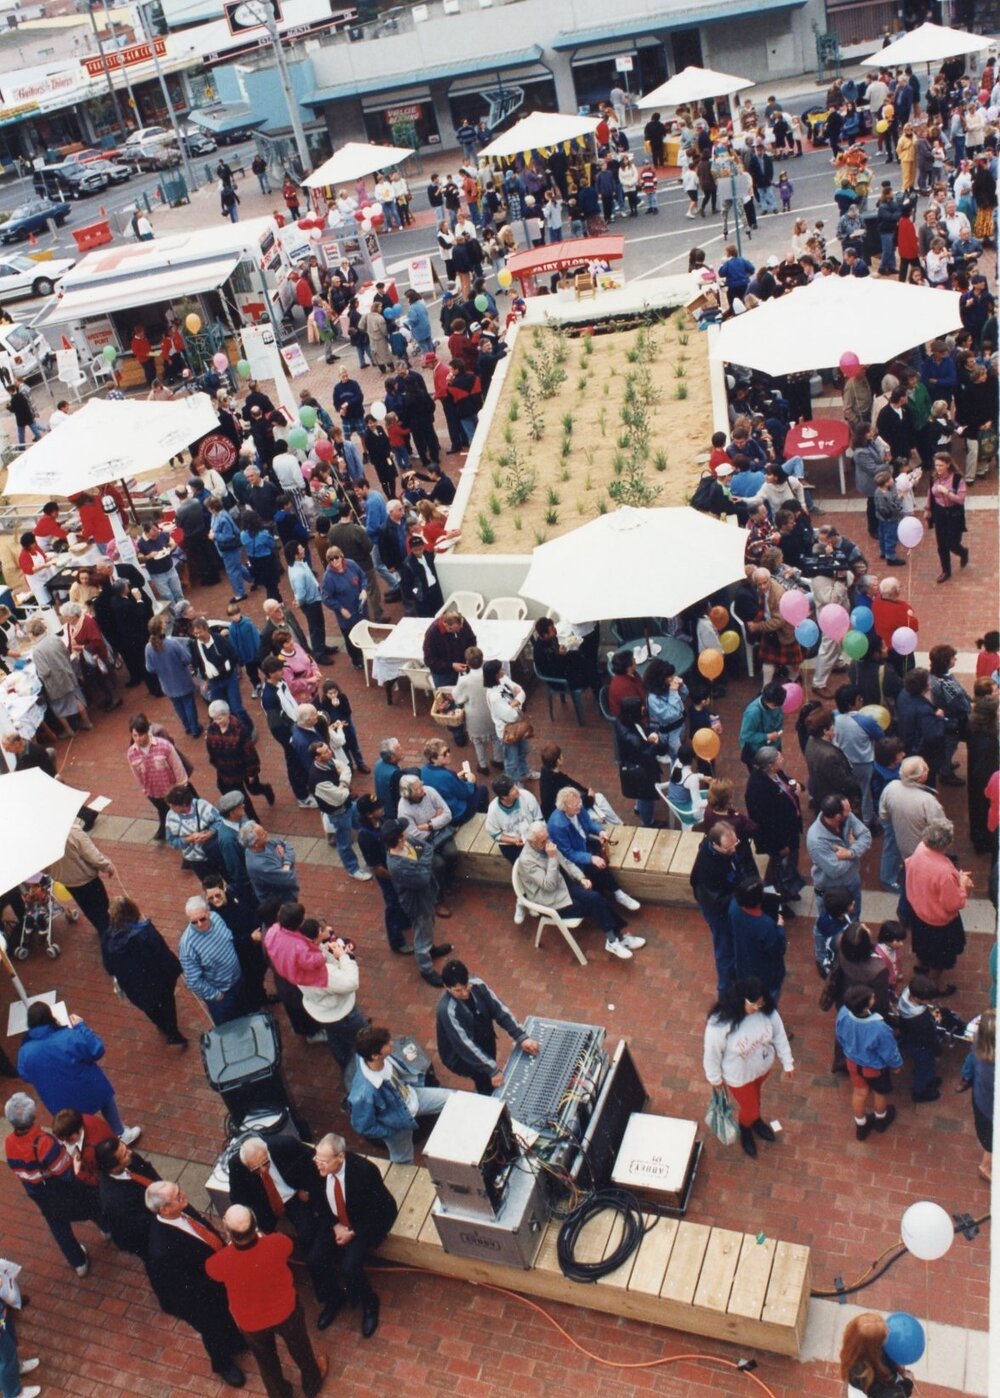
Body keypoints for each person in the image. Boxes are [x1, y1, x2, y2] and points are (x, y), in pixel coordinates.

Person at [207, 1204, 327, 1398]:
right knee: (301, 1348)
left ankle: (279, 1393)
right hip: (286, 1312)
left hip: (251, 1322)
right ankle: (312, 1383)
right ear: (255, 1225)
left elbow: (211, 1270)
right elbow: (287, 1246)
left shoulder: (220, 1261)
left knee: (265, 1361)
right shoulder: (278, 1243)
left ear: (228, 1231)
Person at [144, 1180, 245, 1388]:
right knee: (212, 1328)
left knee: (225, 1314)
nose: (184, 1196)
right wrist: (220, 1278)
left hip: (214, 1278)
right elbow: (184, 1285)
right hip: (199, 1297)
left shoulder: (181, 1208)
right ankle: (222, 1363)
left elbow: (202, 1228)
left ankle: (235, 1341)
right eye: (178, 1196)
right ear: (164, 1209)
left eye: (179, 1190)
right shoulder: (162, 1248)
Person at [308, 1131, 399, 1338]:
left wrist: (354, 1231)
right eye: (316, 1158)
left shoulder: (364, 1171)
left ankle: (369, 1302)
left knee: (350, 1267)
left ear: (340, 1157)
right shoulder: (317, 1169)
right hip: (335, 1222)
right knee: (315, 1260)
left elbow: (382, 1209)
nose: (318, 1164)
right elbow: (318, 1201)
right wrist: (334, 1226)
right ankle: (334, 1298)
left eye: (324, 1161)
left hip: (361, 1224)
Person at [4, 1092, 102, 1276]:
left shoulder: (8, 1142)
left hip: (37, 1192)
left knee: (57, 1225)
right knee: (90, 1204)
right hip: (58, 1188)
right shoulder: (43, 1142)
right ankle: (106, 1229)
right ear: (33, 1116)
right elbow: (65, 1172)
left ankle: (78, 1262)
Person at [16, 1002, 140, 1145]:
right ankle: (120, 1133)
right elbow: (96, 1049)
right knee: (106, 1101)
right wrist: (81, 1026)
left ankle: (87, 1147)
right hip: (87, 1087)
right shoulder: (68, 1036)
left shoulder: (25, 1051)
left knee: (74, 1124)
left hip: (58, 1100)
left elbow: (25, 1075)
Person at [516, 821, 643, 959]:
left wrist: (581, 878)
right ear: (531, 842)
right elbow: (548, 886)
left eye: (547, 837)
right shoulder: (527, 861)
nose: (547, 842)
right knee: (597, 902)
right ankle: (616, 939)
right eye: (543, 841)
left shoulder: (547, 844)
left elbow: (567, 863)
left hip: (565, 885)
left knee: (597, 899)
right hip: (553, 900)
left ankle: (615, 940)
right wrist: (552, 858)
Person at [703, 976, 794, 1158]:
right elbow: (712, 1053)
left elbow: (779, 1035)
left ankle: (756, 1121)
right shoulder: (720, 1025)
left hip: (761, 1069)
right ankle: (746, 1129)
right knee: (750, 1107)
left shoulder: (767, 1012)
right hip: (738, 1077)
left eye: (760, 1004)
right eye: (752, 1004)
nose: (756, 1008)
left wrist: (787, 1061)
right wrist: (714, 1078)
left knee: (755, 1099)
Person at [346, 1026, 452, 1165]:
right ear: (375, 1056)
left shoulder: (368, 1054)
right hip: (397, 1124)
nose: (391, 1043)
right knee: (403, 1160)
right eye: (386, 1044)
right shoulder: (364, 1094)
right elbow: (362, 1126)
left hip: (411, 1095)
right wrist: (391, 1130)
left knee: (454, 1099)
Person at [435, 959, 538, 1094]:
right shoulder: (447, 1011)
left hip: (483, 1038)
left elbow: (499, 1010)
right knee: (484, 1079)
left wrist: (521, 1036)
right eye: (458, 991)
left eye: (466, 986)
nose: (465, 993)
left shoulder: (478, 985)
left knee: (489, 1068)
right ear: (447, 988)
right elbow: (464, 1046)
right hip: (461, 1056)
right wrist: (492, 1070)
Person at [100, 896, 186, 1047]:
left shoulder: (108, 938)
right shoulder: (145, 932)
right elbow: (162, 953)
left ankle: (162, 1025)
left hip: (134, 986)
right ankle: (173, 1032)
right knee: (167, 1003)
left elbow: (109, 967)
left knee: (150, 1008)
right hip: (157, 979)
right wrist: (174, 970)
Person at [903, 817, 970, 996]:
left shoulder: (920, 848)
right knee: (940, 958)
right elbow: (954, 903)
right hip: (939, 923)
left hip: (919, 912)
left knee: (922, 946)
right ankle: (933, 986)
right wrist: (962, 884)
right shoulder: (944, 872)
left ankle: (920, 966)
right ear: (946, 843)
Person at [382, 818, 452, 987]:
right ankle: (426, 968)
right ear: (399, 838)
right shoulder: (397, 865)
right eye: (403, 831)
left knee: (429, 924)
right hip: (417, 902)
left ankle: (431, 949)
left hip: (426, 895)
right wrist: (424, 864)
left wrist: (422, 864)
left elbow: (427, 849)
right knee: (422, 933)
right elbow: (422, 878)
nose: (407, 832)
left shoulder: (408, 841)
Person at [835, 984, 903, 1140]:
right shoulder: (879, 1027)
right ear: (866, 1005)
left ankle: (861, 1126)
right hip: (874, 1068)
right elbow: (889, 1051)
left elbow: (839, 1035)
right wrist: (896, 1065)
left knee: (859, 1092)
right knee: (879, 1093)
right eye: (871, 997)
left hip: (852, 1063)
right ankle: (881, 1120)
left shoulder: (844, 1013)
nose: (874, 997)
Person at [744, 746, 804, 904]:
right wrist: (780, 846)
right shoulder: (759, 789)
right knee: (780, 870)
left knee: (790, 863)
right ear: (770, 765)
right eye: (779, 758)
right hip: (779, 840)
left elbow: (787, 784)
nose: (782, 759)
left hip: (790, 831)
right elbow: (767, 823)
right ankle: (782, 900)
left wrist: (798, 787)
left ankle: (791, 888)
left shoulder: (776, 773)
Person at [690, 822, 743, 993]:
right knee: (724, 949)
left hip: (728, 898)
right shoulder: (707, 868)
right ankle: (725, 991)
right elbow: (714, 900)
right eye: (729, 849)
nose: (734, 850)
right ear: (715, 846)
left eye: (736, 844)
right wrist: (740, 897)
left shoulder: (724, 850)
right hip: (718, 911)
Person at [178, 895, 247, 1025]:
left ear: (208, 913)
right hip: (223, 995)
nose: (199, 924)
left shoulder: (216, 917)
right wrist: (217, 996)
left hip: (239, 981)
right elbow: (193, 981)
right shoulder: (187, 946)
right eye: (193, 922)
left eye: (202, 919)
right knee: (229, 1028)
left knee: (245, 1015)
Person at [808, 794, 872, 923]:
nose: (851, 813)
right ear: (837, 817)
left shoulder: (845, 816)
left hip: (852, 880)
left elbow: (866, 836)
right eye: (847, 812)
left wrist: (851, 852)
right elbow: (834, 870)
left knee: (854, 916)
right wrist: (854, 851)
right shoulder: (816, 840)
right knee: (830, 922)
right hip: (829, 889)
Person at [25, 617, 91, 738]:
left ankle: (69, 730)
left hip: (55, 683)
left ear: (32, 633)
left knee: (57, 708)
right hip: (68, 674)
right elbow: (66, 653)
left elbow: (44, 672)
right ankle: (87, 722)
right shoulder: (55, 638)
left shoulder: (37, 650)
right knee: (76, 699)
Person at [206, 701, 270, 820]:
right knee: (241, 798)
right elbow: (210, 747)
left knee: (254, 789)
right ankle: (254, 821)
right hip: (226, 771)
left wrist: (252, 772)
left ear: (227, 715)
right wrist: (216, 764)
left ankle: (266, 790)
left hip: (243, 769)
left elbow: (250, 753)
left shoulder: (240, 730)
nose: (216, 722)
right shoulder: (212, 728)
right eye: (214, 719)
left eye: (219, 718)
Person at [47, 821, 114, 934]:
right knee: (102, 909)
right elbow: (92, 855)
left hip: (68, 882)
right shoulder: (73, 832)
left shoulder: (42, 839)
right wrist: (107, 866)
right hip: (87, 879)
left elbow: (44, 868)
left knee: (88, 909)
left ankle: (101, 929)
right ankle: (109, 936)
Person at [730, 879, 786, 1001]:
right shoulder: (766, 925)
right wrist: (780, 928)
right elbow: (779, 949)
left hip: (743, 968)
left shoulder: (734, 908)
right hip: (767, 977)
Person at [146, 618, 201, 738]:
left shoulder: (148, 648)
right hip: (182, 680)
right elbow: (187, 658)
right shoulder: (172, 643)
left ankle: (187, 726)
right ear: (161, 628)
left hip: (166, 684)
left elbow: (150, 668)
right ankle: (195, 729)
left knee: (178, 706)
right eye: (163, 623)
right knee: (189, 704)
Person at [483, 658, 535, 783]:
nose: (503, 670)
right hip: (507, 732)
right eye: (500, 669)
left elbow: (520, 690)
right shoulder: (494, 697)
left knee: (523, 751)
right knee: (511, 761)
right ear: (495, 674)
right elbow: (512, 716)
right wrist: (518, 700)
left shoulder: (503, 679)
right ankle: (515, 783)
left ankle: (525, 772)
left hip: (517, 727)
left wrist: (516, 701)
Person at [452, 647, 503, 774]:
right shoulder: (490, 674)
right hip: (491, 712)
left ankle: (483, 765)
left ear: (467, 662)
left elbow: (458, 698)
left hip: (474, 716)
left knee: (478, 742)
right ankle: (498, 759)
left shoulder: (464, 680)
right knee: (495, 737)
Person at [839, 1311, 915, 1395]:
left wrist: (895, 1364)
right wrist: (908, 1383)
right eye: (884, 1336)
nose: (889, 1335)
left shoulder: (853, 1350)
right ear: (874, 1346)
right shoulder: (868, 1378)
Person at [896, 973, 943, 1103]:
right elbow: (931, 1037)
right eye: (927, 1000)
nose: (930, 1002)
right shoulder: (921, 1019)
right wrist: (938, 1052)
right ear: (917, 997)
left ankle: (928, 1079)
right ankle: (919, 1092)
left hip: (910, 1039)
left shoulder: (905, 996)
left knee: (922, 1065)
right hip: (922, 1046)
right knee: (924, 1067)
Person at [924, 451, 968, 582]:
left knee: (952, 543)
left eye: (941, 465)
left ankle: (963, 552)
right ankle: (946, 571)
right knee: (942, 544)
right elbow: (930, 494)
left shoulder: (958, 479)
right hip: (940, 513)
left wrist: (947, 492)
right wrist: (927, 509)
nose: (938, 468)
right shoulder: (933, 477)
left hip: (954, 514)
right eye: (936, 465)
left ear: (948, 465)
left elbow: (961, 499)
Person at [165, 784, 223, 882]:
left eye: (174, 806)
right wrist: (188, 839)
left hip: (216, 853)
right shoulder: (171, 816)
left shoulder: (203, 806)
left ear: (184, 804)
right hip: (196, 860)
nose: (171, 809)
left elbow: (220, 821)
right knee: (211, 884)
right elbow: (172, 841)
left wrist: (210, 833)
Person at [320, 548, 367, 668]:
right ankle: (356, 660)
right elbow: (326, 598)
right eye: (331, 559)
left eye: (336, 557)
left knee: (363, 631)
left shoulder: (351, 564)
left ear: (341, 556)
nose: (334, 561)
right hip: (346, 615)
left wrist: (364, 589)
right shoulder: (328, 577)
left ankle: (364, 652)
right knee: (351, 637)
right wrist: (340, 608)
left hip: (360, 609)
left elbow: (362, 576)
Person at [965, 1009, 994, 1184]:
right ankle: (985, 1167)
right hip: (990, 1111)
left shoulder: (978, 1044)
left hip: (981, 1102)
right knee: (991, 1142)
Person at [240, 823, 300, 903]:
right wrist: (283, 859)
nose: (266, 833)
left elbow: (286, 844)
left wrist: (286, 864)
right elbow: (289, 879)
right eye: (262, 834)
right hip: (280, 902)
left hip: (286, 894)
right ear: (255, 844)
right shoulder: (260, 865)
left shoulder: (265, 843)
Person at [423, 610, 478, 688]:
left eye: (460, 628)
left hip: (463, 665)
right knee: (447, 696)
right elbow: (429, 660)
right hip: (443, 673)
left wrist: (469, 656)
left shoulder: (462, 621)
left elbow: (471, 639)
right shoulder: (432, 633)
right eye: (454, 630)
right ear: (445, 625)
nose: (459, 632)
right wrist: (451, 665)